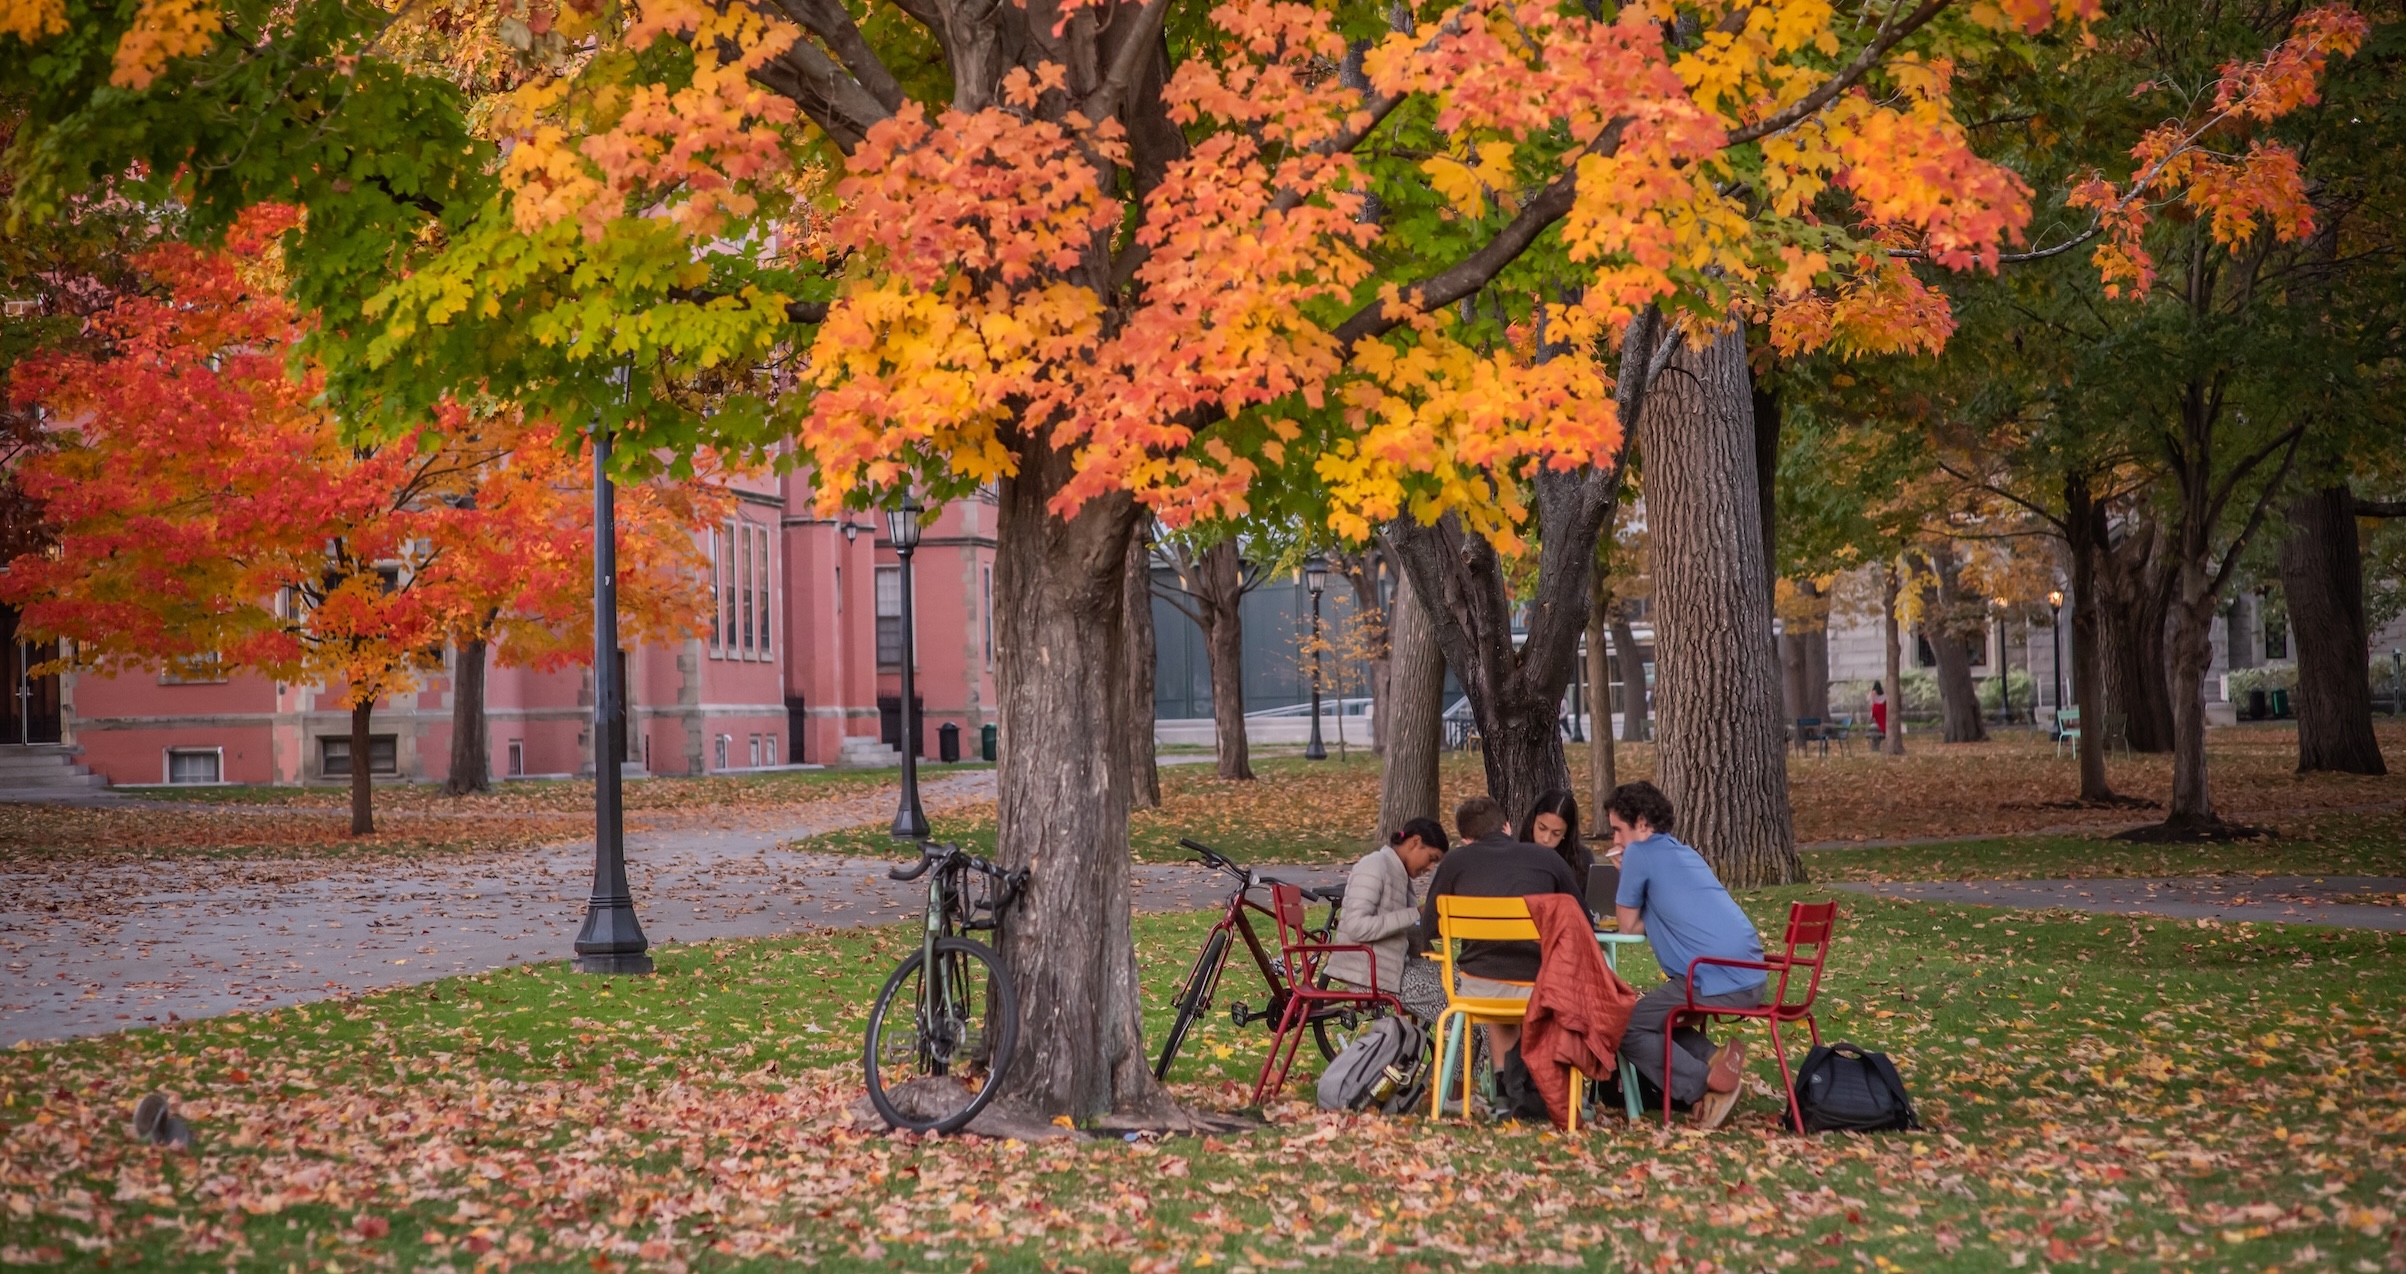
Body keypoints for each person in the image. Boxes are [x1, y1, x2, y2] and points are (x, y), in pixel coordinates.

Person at [1606, 780, 1766, 1130]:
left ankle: (1705, 1087)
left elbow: (1628, 926)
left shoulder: (1638, 854)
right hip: (1751, 975)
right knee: (1650, 1017)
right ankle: (1714, 1059)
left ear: (1642, 823)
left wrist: (1626, 876)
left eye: (1618, 830)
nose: (1615, 840)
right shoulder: (1683, 852)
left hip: (1712, 978)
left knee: (1624, 1025)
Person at [1418, 796, 1581, 1066]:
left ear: (1466, 840)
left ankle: (1505, 1080)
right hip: (1541, 987)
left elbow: (1430, 927)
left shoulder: (1455, 862)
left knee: (1493, 974)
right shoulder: (1547, 858)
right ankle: (1541, 1078)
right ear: (1507, 827)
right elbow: (1581, 920)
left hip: (1477, 989)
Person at [1323, 817, 1447, 1016]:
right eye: (1431, 858)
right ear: (1415, 842)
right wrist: (1416, 913)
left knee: (1465, 981)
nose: (1431, 868)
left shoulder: (1398, 872)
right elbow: (1357, 927)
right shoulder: (1374, 865)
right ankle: (1479, 1036)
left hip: (1390, 968)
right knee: (1454, 999)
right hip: (1369, 975)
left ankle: (1481, 1035)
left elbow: (1401, 928)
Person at [1520, 789, 1592, 881]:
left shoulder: (1582, 861)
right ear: (1533, 822)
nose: (1546, 839)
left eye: (1556, 833)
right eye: (1542, 828)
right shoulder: (1517, 852)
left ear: (1566, 833)